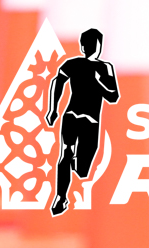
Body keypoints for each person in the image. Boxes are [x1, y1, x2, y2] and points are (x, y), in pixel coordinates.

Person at [43, 28, 119, 217]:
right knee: (67, 154)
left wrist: (98, 83)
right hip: (78, 117)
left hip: (81, 119)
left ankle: (72, 176)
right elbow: (57, 82)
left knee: (79, 165)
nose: (93, 47)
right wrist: (53, 109)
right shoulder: (81, 65)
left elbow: (113, 96)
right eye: (91, 44)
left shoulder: (100, 67)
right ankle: (61, 197)